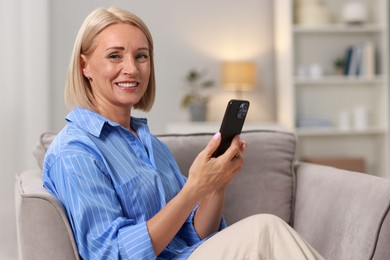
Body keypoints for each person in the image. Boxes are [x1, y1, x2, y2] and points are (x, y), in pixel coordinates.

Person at [42, 7, 324, 260]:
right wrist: (193, 190)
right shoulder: (74, 151)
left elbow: (194, 236)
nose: (131, 68)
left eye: (141, 56)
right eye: (115, 56)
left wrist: (215, 186)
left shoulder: (150, 145)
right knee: (265, 230)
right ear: (84, 66)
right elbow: (110, 254)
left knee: (264, 234)